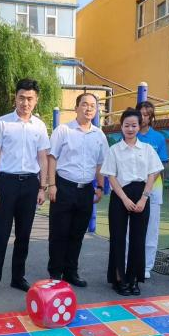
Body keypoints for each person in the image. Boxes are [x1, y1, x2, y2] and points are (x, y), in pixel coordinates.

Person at [0, 78, 50, 298]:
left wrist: (42, 187)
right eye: (21, 97)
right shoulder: (3, 123)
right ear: (15, 98)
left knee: (24, 234)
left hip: (30, 184)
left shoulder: (39, 126)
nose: (25, 102)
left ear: (36, 100)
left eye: (30, 98)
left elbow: (43, 158)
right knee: (1, 234)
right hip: (7, 183)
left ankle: (18, 277)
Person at [47, 93, 108, 287]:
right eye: (84, 104)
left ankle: (71, 272)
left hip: (86, 191)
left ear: (96, 110)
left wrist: (100, 187)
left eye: (92, 106)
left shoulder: (99, 135)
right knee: (59, 233)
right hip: (63, 187)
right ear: (76, 108)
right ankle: (55, 272)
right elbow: (52, 158)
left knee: (77, 234)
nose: (89, 109)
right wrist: (51, 185)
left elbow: (100, 164)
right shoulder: (63, 130)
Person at [101, 108, 163, 296]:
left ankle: (134, 279)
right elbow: (111, 177)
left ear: (139, 126)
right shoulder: (114, 150)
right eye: (126, 125)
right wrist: (125, 199)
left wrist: (144, 198)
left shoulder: (147, 149)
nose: (130, 129)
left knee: (138, 239)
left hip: (141, 195)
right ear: (121, 126)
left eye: (134, 125)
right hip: (120, 195)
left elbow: (153, 174)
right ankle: (119, 279)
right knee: (118, 238)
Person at [135, 101, 169, 279]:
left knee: (151, 229)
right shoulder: (129, 134)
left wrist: (147, 184)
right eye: (140, 113)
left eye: (147, 114)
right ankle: (129, 262)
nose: (143, 118)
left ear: (151, 117)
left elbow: (159, 166)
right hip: (131, 187)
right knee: (130, 228)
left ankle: (146, 266)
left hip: (153, 189)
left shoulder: (158, 138)